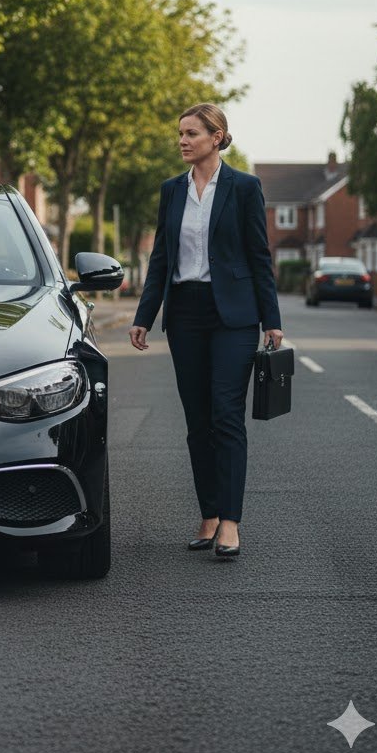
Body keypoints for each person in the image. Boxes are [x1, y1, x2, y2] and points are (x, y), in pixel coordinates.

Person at [128, 103, 282, 558]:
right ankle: (209, 514)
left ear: (217, 137)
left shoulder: (244, 187)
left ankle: (230, 522)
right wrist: (144, 316)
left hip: (234, 315)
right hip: (185, 314)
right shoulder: (172, 190)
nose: (182, 140)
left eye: (192, 133)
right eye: (180, 133)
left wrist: (272, 320)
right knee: (197, 421)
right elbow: (161, 257)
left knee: (226, 415)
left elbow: (259, 256)